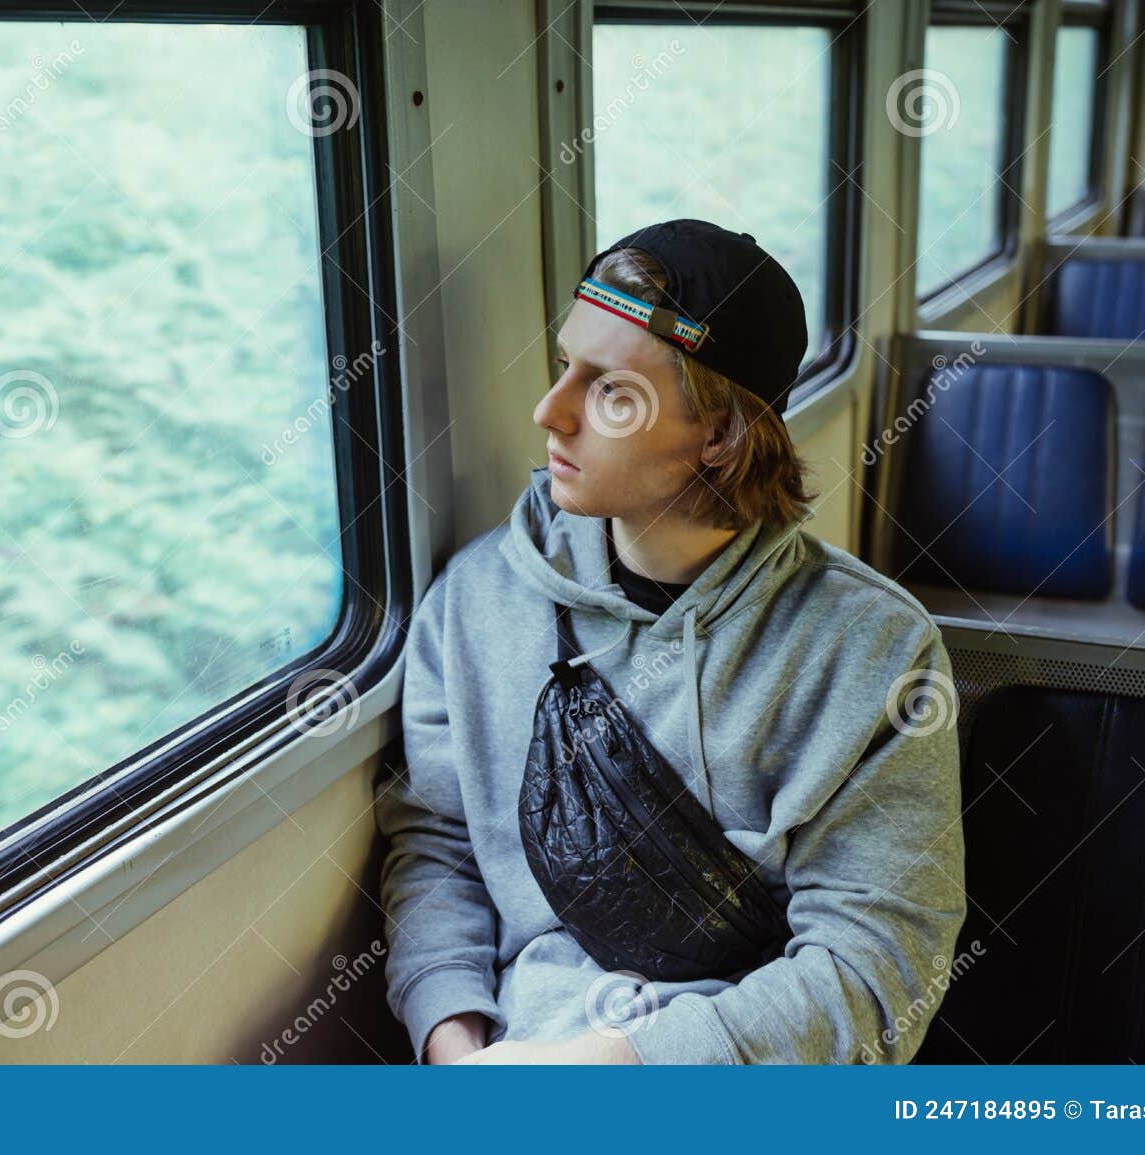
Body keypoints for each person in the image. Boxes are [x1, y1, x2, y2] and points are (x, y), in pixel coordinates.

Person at [374, 219, 965, 1065]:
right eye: (563, 365)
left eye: (610, 390)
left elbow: (878, 968)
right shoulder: (475, 599)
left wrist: (624, 1064)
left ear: (718, 436)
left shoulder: (872, 651)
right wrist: (450, 1030)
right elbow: (439, 839)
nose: (550, 411)